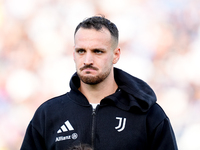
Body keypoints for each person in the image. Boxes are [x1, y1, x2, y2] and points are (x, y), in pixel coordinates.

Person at [20, 16, 178, 150]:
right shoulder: (48, 114)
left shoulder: (148, 115)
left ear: (116, 55)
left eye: (98, 51)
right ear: (74, 53)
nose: (88, 60)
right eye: (81, 51)